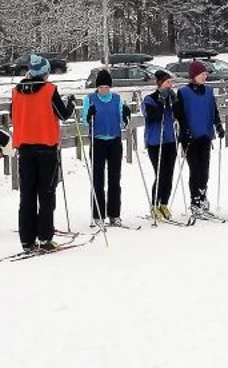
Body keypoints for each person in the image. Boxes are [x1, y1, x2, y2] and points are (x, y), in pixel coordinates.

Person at [10, 54, 76, 251]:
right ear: (45, 73)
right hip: (46, 146)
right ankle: (45, 237)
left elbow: (13, 114)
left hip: (25, 147)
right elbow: (63, 114)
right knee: (46, 194)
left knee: (27, 194)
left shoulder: (16, 91)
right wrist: (71, 103)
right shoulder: (49, 90)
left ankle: (27, 239)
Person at [175, 60, 225, 216]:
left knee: (204, 170)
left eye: (205, 75)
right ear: (193, 76)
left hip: (205, 134)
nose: (205, 77)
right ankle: (195, 200)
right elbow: (180, 114)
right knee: (195, 169)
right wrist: (185, 130)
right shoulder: (183, 92)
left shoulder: (209, 91)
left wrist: (218, 125)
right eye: (202, 74)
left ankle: (203, 196)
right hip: (190, 137)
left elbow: (214, 110)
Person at [82, 69, 132, 227]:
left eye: (106, 87)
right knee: (98, 180)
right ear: (97, 87)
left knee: (114, 179)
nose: (103, 90)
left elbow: (123, 121)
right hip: (98, 141)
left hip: (114, 141)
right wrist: (89, 116)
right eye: (101, 87)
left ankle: (114, 214)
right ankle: (98, 214)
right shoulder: (89, 99)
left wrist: (125, 116)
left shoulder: (117, 99)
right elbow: (85, 120)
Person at [142, 70, 179, 220]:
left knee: (169, 173)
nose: (170, 85)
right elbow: (152, 117)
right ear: (160, 83)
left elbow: (179, 113)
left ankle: (164, 202)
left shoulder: (171, 98)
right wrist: (161, 102)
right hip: (155, 141)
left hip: (170, 139)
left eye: (171, 82)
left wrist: (175, 102)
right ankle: (154, 204)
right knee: (160, 173)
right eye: (167, 82)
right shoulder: (149, 99)